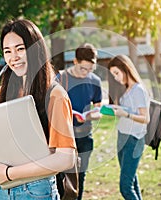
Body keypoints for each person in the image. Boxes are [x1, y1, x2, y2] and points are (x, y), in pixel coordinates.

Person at [0, 19, 76, 199]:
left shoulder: (55, 95)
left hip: (36, 190)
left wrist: (9, 173)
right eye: (7, 51)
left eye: (20, 49)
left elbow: (65, 158)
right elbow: (5, 146)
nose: (13, 57)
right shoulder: (4, 92)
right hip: (3, 190)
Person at [56, 43, 102, 200]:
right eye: (84, 68)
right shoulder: (60, 79)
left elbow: (98, 111)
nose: (87, 73)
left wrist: (89, 116)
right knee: (61, 177)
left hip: (85, 138)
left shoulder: (95, 81)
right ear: (75, 61)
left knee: (79, 179)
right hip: (63, 138)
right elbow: (51, 108)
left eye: (91, 69)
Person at [107, 55, 150, 200]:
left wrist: (126, 114)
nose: (116, 78)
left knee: (125, 187)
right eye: (113, 75)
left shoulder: (138, 90)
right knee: (132, 181)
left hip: (134, 139)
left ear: (126, 69)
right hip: (123, 137)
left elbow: (145, 118)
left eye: (117, 73)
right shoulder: (126, 90)